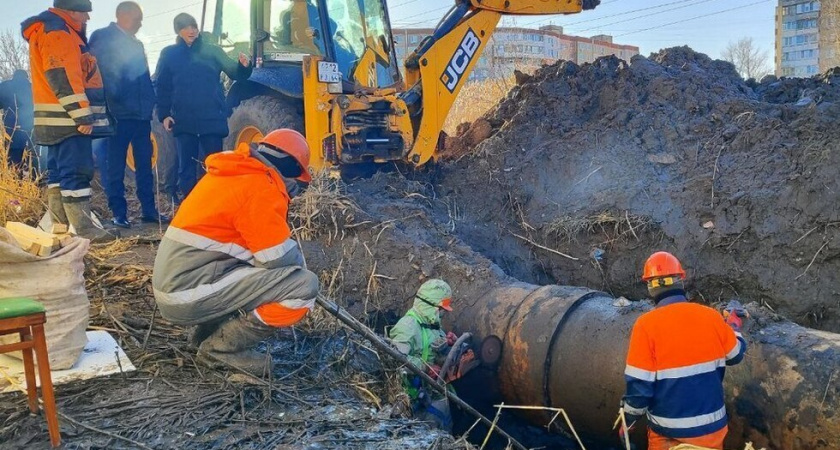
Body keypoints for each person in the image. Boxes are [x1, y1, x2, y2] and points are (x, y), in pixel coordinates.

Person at [152, 129, 318, 376]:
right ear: (291, 168)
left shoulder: (234, 173)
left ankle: (204, 338)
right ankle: (220, 350)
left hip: (178, 287)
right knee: (303, 287)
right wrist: (297, 268)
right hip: (187, 292)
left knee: (252, 275)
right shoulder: (261, 185)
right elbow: (278, 260)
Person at [620, 251, 748, 450]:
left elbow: (639, 388)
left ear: (650, 287)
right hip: (710, 431)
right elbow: (736, 355)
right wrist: (733, 327)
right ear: (680, 280)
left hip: (667, 433)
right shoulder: (711, 317)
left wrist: (628, 420)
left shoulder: (646, 325)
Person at [22, 0, 116, 241]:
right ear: (70, 10)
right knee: (76, 172)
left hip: (53, 121)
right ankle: (84, 230)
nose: (87, 18)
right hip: (68, 121)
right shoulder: (59, 33)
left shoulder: (47, 30)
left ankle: (61, 229)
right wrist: (82, 115)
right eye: (84, 12)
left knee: (57, 175)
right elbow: (63, 77)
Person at [154, 13, 252, 203]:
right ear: (178, 31)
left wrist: (243, 66)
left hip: (211, 117)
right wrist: (164, 114)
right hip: (183, 118)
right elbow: (162, 86)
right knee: (186, 168)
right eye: (186, 27)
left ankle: (216, 204)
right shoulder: (169, 54)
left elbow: (235, 72)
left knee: (215, 164)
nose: (191, 31)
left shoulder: (213, 51)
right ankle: (190, 205)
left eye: (194, 27)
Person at [90, 1, 168, 228]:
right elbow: (99, 74)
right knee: (115, 165)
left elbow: (142, 77)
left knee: (144, 165)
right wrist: (112, 103)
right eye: (137, 19)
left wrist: (150, 101)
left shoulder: (137, 44)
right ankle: (119, 213)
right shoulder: (103, 38)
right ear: (123, 16)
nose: (140, 23)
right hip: (118, 116)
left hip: (141, 116)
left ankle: (149, 211)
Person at [389, 279, 459, 431]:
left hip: (433, 393)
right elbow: (395, 361)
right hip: (415, 399)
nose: (443, 314)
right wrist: (426, 368)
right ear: (429, 305)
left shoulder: (432, 325)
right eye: (441, 309)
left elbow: (433, 350)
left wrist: (448, 343)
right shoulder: (408, 326)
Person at [0, 70, 34, 168]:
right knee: (34, 154)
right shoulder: (33, 87)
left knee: (13, 156)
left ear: (13, 76)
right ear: (26, 77)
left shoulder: (4, 86)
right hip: (31, 126)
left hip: (11, 127)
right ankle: (36, 180)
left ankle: (14, 179)